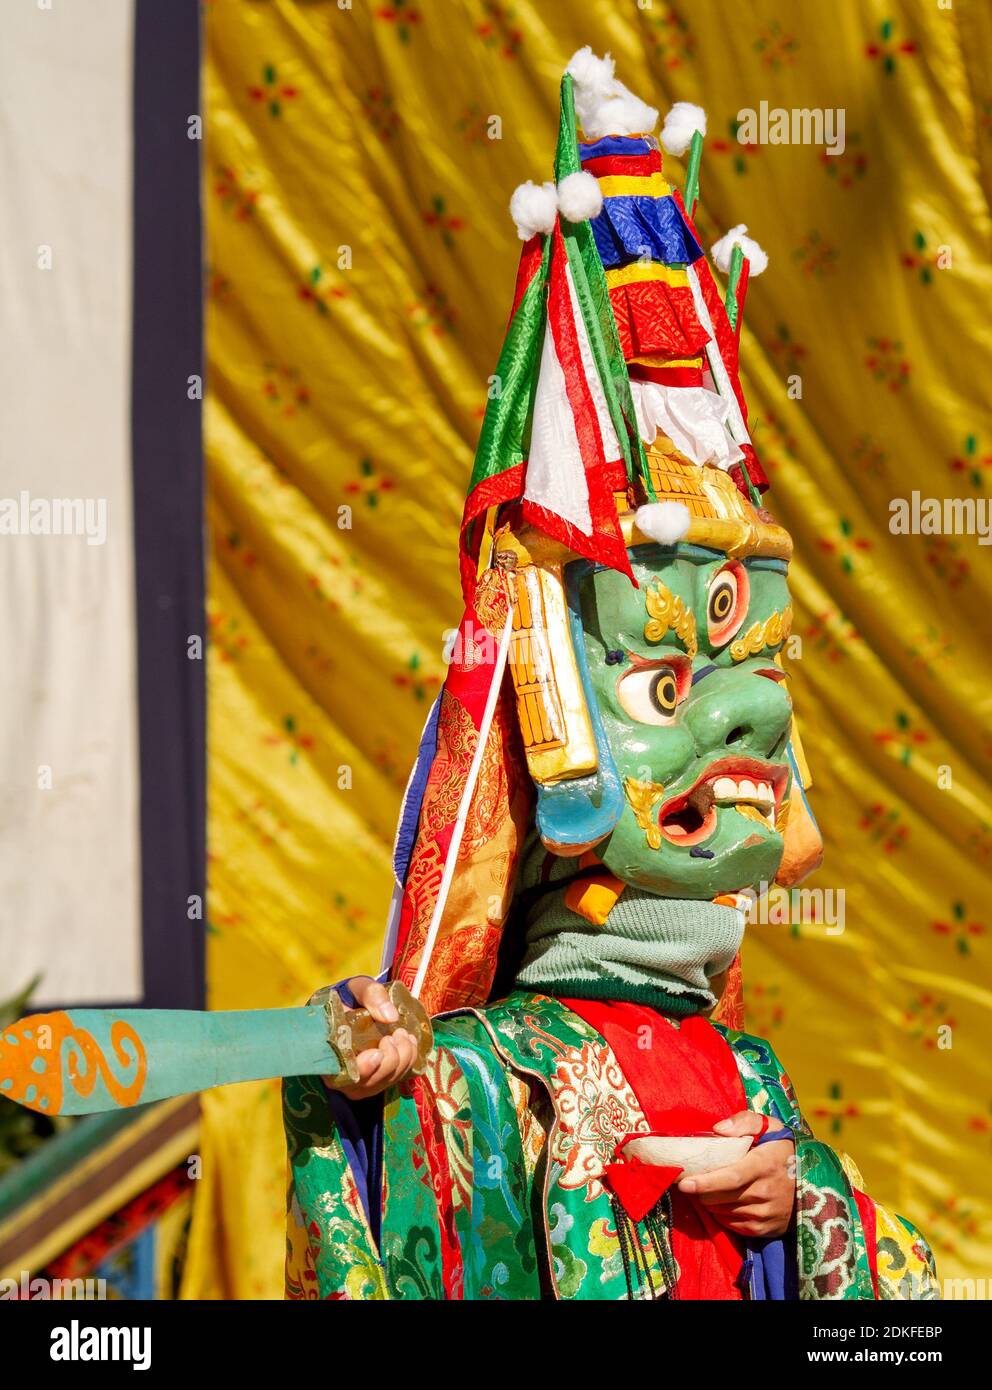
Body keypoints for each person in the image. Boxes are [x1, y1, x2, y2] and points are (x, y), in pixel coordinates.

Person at [283, 51, 937, 1302]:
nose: (749, 715)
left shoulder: (751, 1082)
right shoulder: (493, 1073)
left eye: (753, 663)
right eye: (660, 685)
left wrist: (794, 1200)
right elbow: (393, 1185)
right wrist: (360, 1071)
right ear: (552, 727)